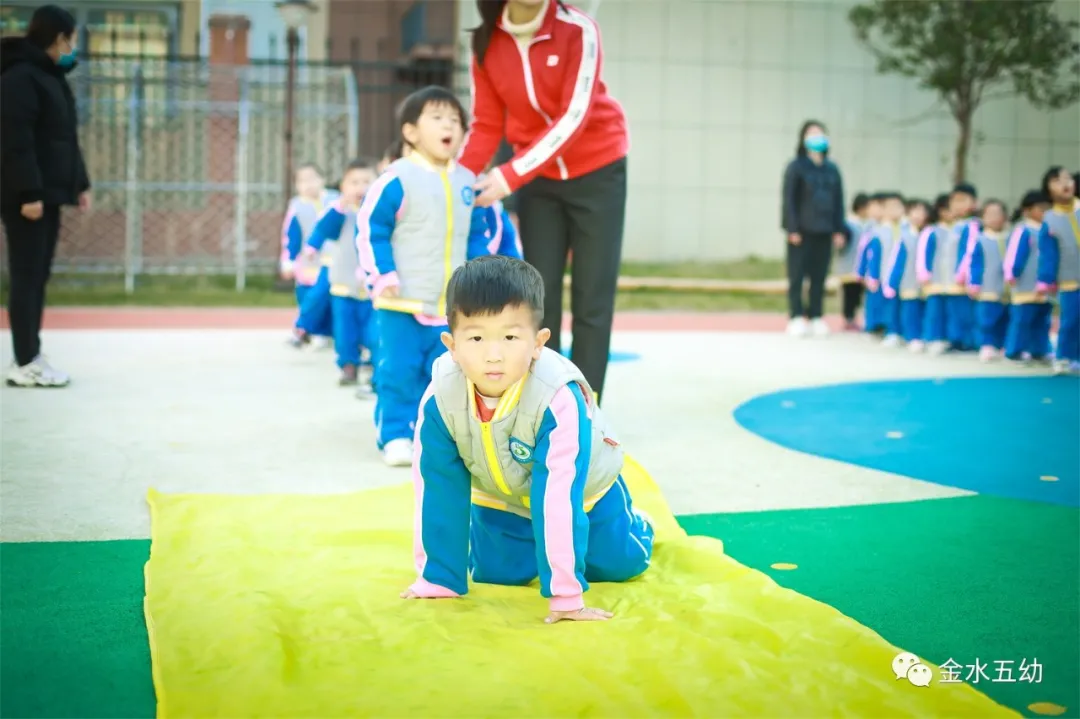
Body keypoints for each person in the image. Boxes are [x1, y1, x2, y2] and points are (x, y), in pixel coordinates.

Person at [401, 255, 654, 624]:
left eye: (509, 336)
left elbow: (558, 493)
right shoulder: (441, 396)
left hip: (584, 497)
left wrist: (566, 596)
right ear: (451, 345)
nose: (493, 354)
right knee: (497, 574)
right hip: (503, 497)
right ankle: (531, 542)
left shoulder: (557, 396)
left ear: (538, 342)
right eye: (475, 337)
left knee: (618, 565)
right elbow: (436, 484)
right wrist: (439, 577)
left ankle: (636, 523)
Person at [458, 0, 629, 404]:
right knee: (539, 298)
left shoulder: (579, 29)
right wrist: (453, 183)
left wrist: (508, 176)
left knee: (593, 297)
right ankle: (542, 403)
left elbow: (574, 116)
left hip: (598, 170)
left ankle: (586, 407)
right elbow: (485, 125)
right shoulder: (487, 43)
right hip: (538, 180)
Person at [356, 86, 490, 467]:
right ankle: (396, 434)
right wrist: (382, 275)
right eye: (437, 118)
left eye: (455, 121)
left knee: (450, 376)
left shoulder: (467, 182)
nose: (449, 126)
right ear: (411, 132)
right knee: (397, 370)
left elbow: (477, 233)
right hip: (401, 299)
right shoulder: (397, 178)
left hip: (451, 304)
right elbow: (370, 228)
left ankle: (436, 436)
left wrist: (481, 279)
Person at [1, 5, 90, 388]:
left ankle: (31, 353)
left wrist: (79, 183)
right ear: (58, 38)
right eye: (71, 38)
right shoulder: (20, 78)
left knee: (38, 276)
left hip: (48, 192)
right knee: (27, 275)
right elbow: (15, 142)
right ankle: (24, 361)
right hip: (28, 197)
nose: (73, 46)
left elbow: (62, 138)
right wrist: (30, 193)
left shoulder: (49, 76)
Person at [303, 159, 377, 386]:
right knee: (345, 330)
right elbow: (323, 229)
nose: (360, 188)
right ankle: (348, 365)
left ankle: (375, 366)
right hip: (343, 284)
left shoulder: (377, 212)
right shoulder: (339, 212)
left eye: (367, 182)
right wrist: (312, 247)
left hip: (372, 286)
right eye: (354, 182)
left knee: (374, 331)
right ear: (343, 187)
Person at [781, 120, 847, 338]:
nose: (816, 137)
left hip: (825, 229)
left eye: (820, 133)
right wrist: (792, 228)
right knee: (797, 275)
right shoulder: (796, 166)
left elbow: (838, 200)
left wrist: (839, 229)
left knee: (819, 276)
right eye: (811, 134)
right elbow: (789, 199)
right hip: (801, 231)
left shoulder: (832, 169)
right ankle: (796, 316)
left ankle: (817, 315)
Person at [280, 163, 335, 340]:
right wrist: (288, 261)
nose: (308, 184)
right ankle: (308, 331)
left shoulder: (335, 201)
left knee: (327, 299)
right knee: (308, 298)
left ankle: (320, 332)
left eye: (312, 179)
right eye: (302, 181)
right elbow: (291, 236)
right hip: (307, 263)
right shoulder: (297, 206)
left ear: (323, 180)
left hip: (333, 262)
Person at [1036, 166, 1080, 374]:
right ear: (1048, 189)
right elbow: (1048, 252)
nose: (1065, 183)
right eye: (1057, 180)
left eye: (1068, 178)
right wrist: (1046, 278)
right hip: (1069, 277)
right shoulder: (1049, 219)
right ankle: (1064, 356)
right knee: (1070, 319)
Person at [1003, 190, 1052, 363]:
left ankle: (1039, 350)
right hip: (1025, 284)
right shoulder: (1023, 230)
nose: (1045, 212)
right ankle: (1014, 350)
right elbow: (1014, 254)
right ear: (1027, 210)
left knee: (1041, 320)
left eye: (1048, 208)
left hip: (1044, 286)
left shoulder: (1048, 229)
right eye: (1041, 208)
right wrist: (1011, 273)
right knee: (1022, 319)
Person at [884, 199, 933, 352]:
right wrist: (892, 282)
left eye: (922, 212)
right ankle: (911, 337)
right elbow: (897, 261)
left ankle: (925, 337)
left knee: (926, 310)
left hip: (928, 283)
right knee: (909, 310)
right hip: (909, 281)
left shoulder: (931, 234)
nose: (918, 216)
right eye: (915, 212)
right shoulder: (904, 237)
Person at [966, 200, 1011, 362]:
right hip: (988, 287)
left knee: (1006, 317)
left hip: (1008, 288)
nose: (993, 218)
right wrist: (974, 282)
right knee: (987, 318)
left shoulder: (1011, 237)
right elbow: (975, 263)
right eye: (989, 215)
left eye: (997, 214)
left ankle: (1004, 345)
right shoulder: (980, 240)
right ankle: (987, 345)